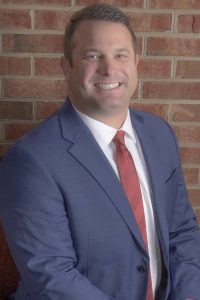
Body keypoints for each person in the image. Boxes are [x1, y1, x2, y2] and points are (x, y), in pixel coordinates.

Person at [0, 4, 200, 300]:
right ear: (66, 67)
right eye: (92, 56)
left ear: (136, 63)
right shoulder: (31, 160)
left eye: (121, 55)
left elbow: (182, 233)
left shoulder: (160, 135)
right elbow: (51, 275)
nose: (110, 69)